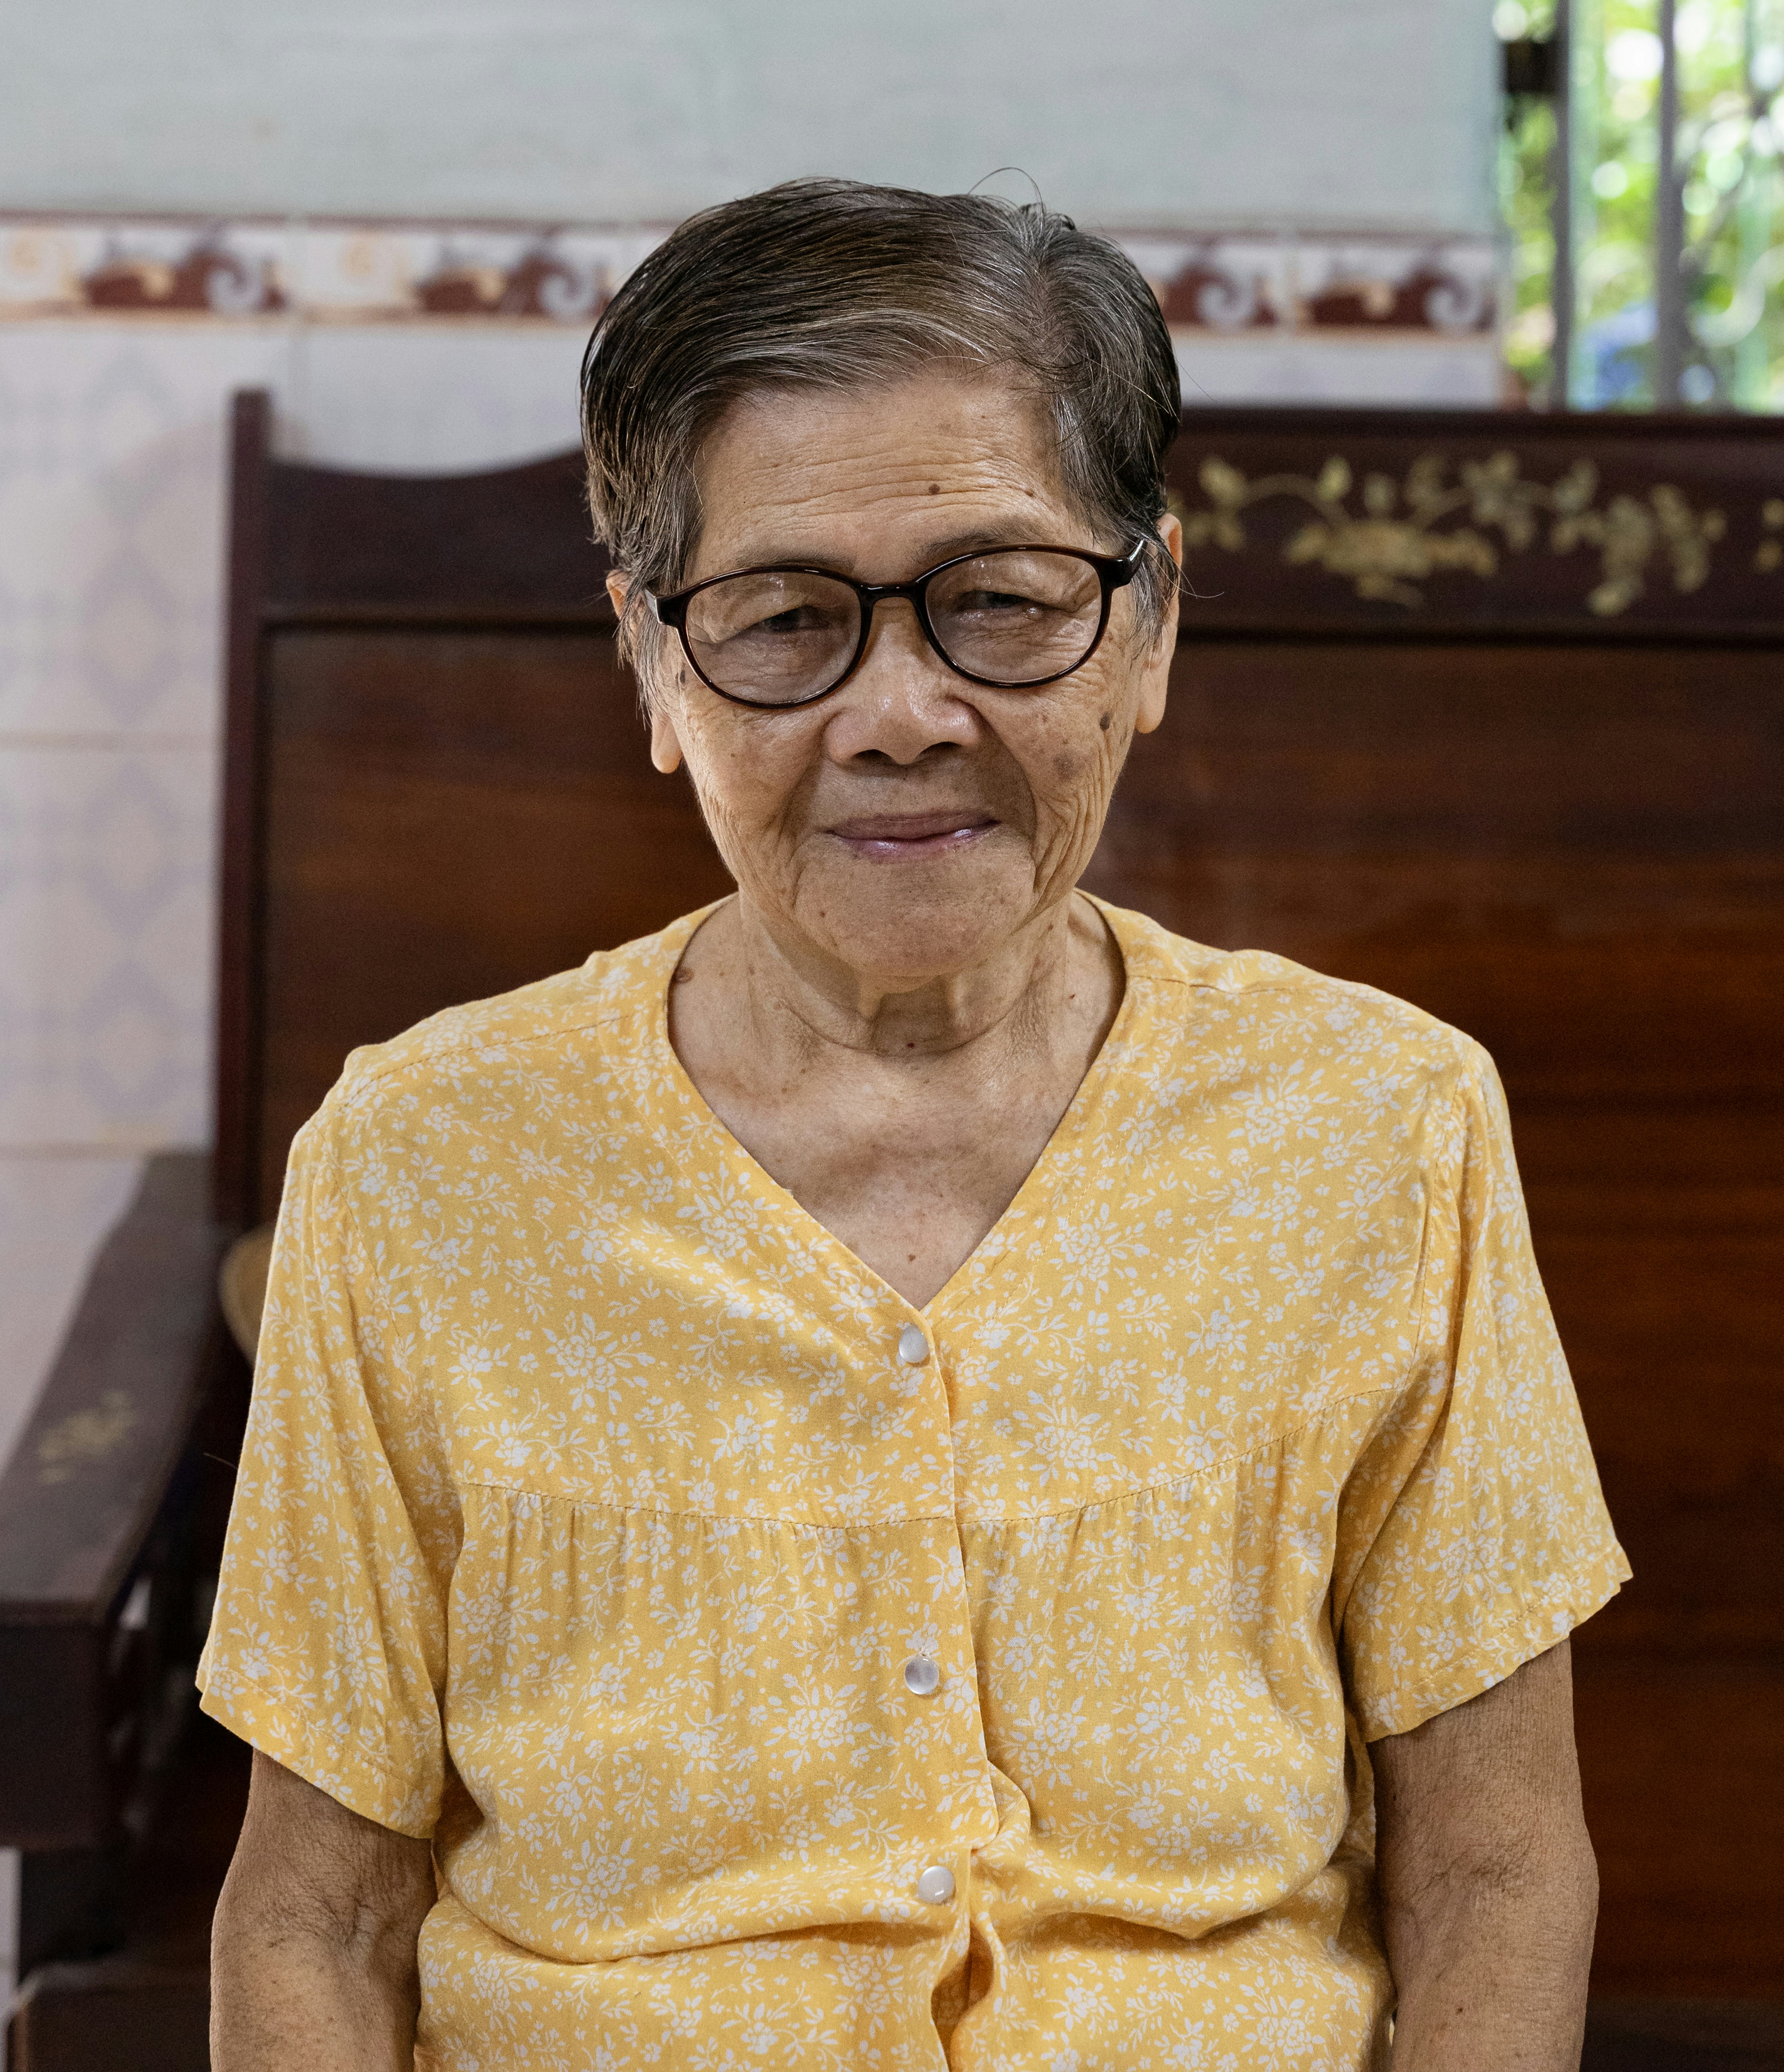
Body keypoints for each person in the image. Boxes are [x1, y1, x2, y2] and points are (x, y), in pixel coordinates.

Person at [203, 180, 1626, 2071]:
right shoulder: (420, 1160)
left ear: (1152, 625)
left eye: (1002, 605)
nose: (900, 713)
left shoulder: (1381, 1131)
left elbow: (1500, 1868)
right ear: (649, 660)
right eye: (785, 621)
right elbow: (310, 1913)